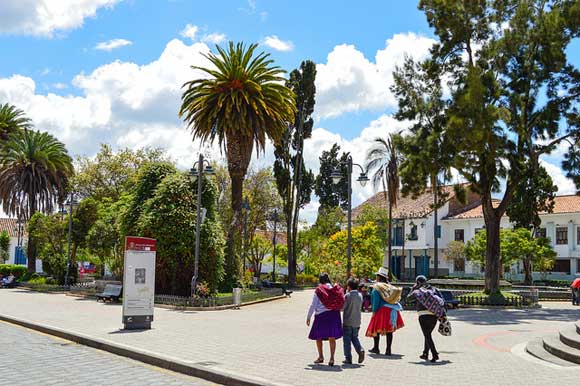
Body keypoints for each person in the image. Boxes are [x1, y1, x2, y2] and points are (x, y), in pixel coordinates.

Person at [307, 273, 344, 366]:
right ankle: (332, 358)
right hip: (334, 314)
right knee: (332, 337)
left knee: (318, 337)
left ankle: (321, 357)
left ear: (320, 280)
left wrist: (308, 317)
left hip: (321, 316)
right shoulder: (335, 289)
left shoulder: (319, 290)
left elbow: (313, 305)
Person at [365, 267, 404, 356]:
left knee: (376, 329)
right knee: (389, 331)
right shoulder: (390, 287)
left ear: (379, 277)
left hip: (381, 310)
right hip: (391, 310)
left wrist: (374, 311)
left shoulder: (377, 287)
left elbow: (376, 300)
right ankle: (388, 350)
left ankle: (376, 348)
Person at [407, 275, 445, 363]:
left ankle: (435, 354)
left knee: (427, 335)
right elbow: (442, 301)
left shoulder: (417, 291)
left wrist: (412, 289)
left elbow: (408, 299)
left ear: (417, 282)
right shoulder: (434, 289)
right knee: (428, 334)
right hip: (434, 314)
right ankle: (425, 353)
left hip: (423, 315)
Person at [342, 278, 365, 365]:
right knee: (355, 338)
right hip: (357, 322)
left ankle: (348, 358)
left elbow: (342, 307)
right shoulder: (360, 295)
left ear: (349, 287)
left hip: (348, 321)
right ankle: (360, 350)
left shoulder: (347, 296)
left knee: (347, 341)